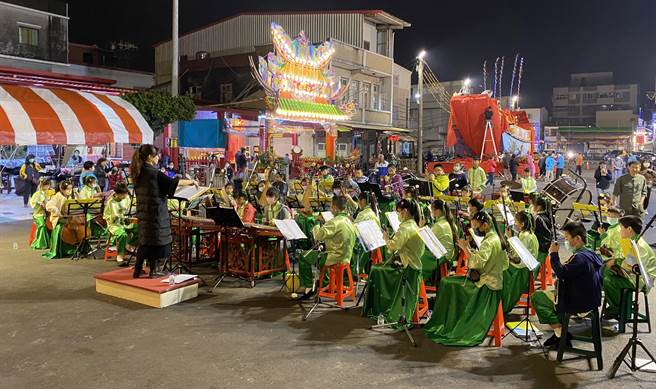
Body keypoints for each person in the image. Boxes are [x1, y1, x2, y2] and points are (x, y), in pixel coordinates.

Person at [424, 211, 509, 346]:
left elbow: (477, 262)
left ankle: (450, 323)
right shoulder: (497, 238)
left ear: (486, 225)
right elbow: (504, 264)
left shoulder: (489, 242)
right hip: (495, 280)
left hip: (485, 285)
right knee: (449, 281)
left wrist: (465, 248)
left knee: (447, 283)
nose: (476, 230)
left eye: (477, 228)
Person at [532, 222, 604, 348]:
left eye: (567, 238)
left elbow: (561, 273)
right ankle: (560, 332)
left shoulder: (580, 258)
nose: (565, 242)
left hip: (580, 302)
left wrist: (553, 254)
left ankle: (561, 334)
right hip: (592, 299)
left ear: (577, 238)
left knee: (537, 297)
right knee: (555, 290)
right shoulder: (591, 254)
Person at [130, 144, 195, 278]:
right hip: (155, 211)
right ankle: (154, 271)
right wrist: (191, 182)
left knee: (145, 240)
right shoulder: (153, 172)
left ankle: (137, 270)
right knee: (156, 241)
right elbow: (171, 183)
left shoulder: (138, 171)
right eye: (157, 155)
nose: (159, 158)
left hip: (143, 210)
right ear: (150, 157)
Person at [364, 199, 425, 324]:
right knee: (381, 268)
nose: (398, 215)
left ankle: (380, 308)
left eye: (399, 212)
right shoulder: (413, 224)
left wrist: (386, 238)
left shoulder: (406, 228)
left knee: (377, 270)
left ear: (405, 211)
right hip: (414, 263)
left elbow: (392, 247)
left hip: (409, 267)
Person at [297, 195, 357, 300]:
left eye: (330, 206)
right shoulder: (349, 221)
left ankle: (309, 287)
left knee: (303, 256)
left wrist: (316, 222)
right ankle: (324, 283)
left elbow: (317, 236)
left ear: (334, 207)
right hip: (347, 256)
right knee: (318, 253)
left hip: (334, 257)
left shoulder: (334, 222)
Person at [602, 215, 656, 319]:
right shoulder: (630, 240)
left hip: (640, 281)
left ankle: (618, 309)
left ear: (629, 229)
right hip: (631, 274)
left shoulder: (640, 246)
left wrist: (616, 262)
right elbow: (627, 258)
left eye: (621, 227)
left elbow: (636, 268)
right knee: (606, 271)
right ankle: (618, 305)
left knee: (608, 280)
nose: (620, 230)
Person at [501, 211, 539, 314]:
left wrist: (509, 238)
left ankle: (503, 307)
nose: (514, 223)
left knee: (501, 272)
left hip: (523, 270)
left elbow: (518, 258)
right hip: (523, 266)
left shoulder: (525, 236)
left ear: (522, 224)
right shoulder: (527, 233)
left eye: (516, 221)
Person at [420, 199, 457, 283]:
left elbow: (424, 240)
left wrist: (421, 227)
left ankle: (418, 281)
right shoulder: (449, 222)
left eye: (432, 210)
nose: (431, 212)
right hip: (447, 254)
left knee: (417, 256)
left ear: (437, 211)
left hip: (441, 256)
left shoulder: (439, 225)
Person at [103, 182, 138, 265]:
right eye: (123, 195)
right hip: (114, 224)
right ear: (117, 194)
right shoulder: (110, 202)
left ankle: (129, 245)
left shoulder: (127, 198)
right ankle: (120, 256)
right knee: (123, 235)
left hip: (126, 221)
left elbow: (131, 209)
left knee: (139, 229)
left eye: (125, 194)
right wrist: (113, 217)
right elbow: (105, 216)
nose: (125, 196)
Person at [43, 181, 75, 260]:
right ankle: (63, 250)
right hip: (59, 218)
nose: (70, 191)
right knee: (64, 226)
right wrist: (57, 211)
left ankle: (72, 248)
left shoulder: (70, 196)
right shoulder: (57, 196)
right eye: (68, 189)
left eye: (71, 189)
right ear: (62, 189)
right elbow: (48, 205)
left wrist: (76, 194)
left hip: (68, 216)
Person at [29, 178, 52, 250]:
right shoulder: (37, 194)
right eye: (45, 185)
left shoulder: (49, 193)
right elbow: (33, 204)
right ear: (41, 185)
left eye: (48, 185)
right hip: (38, 214)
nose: (47, 187)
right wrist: (39, 203)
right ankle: (39, 243)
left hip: (46, 213)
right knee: (42, 225)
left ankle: (49, 242)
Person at [532, 196, 554, 269]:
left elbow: (532, 232)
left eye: (534, 205)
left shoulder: (538, 218)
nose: (532, 207)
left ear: (539, 207)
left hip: (540, 249)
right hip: (545, 246)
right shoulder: (546, 215)